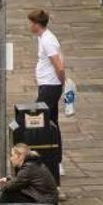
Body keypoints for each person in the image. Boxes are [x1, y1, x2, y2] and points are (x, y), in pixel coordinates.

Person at [29, 8, 65, 140]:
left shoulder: (47, 40)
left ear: (36, 24)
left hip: (51, 85)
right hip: (48, 84)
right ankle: (55, 156)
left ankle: (43, 151)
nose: (29, 26)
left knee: (37, 118)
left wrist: (62, 82)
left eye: (30, 23)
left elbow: (59, 67)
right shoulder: (43, 37)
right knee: (52, 121)